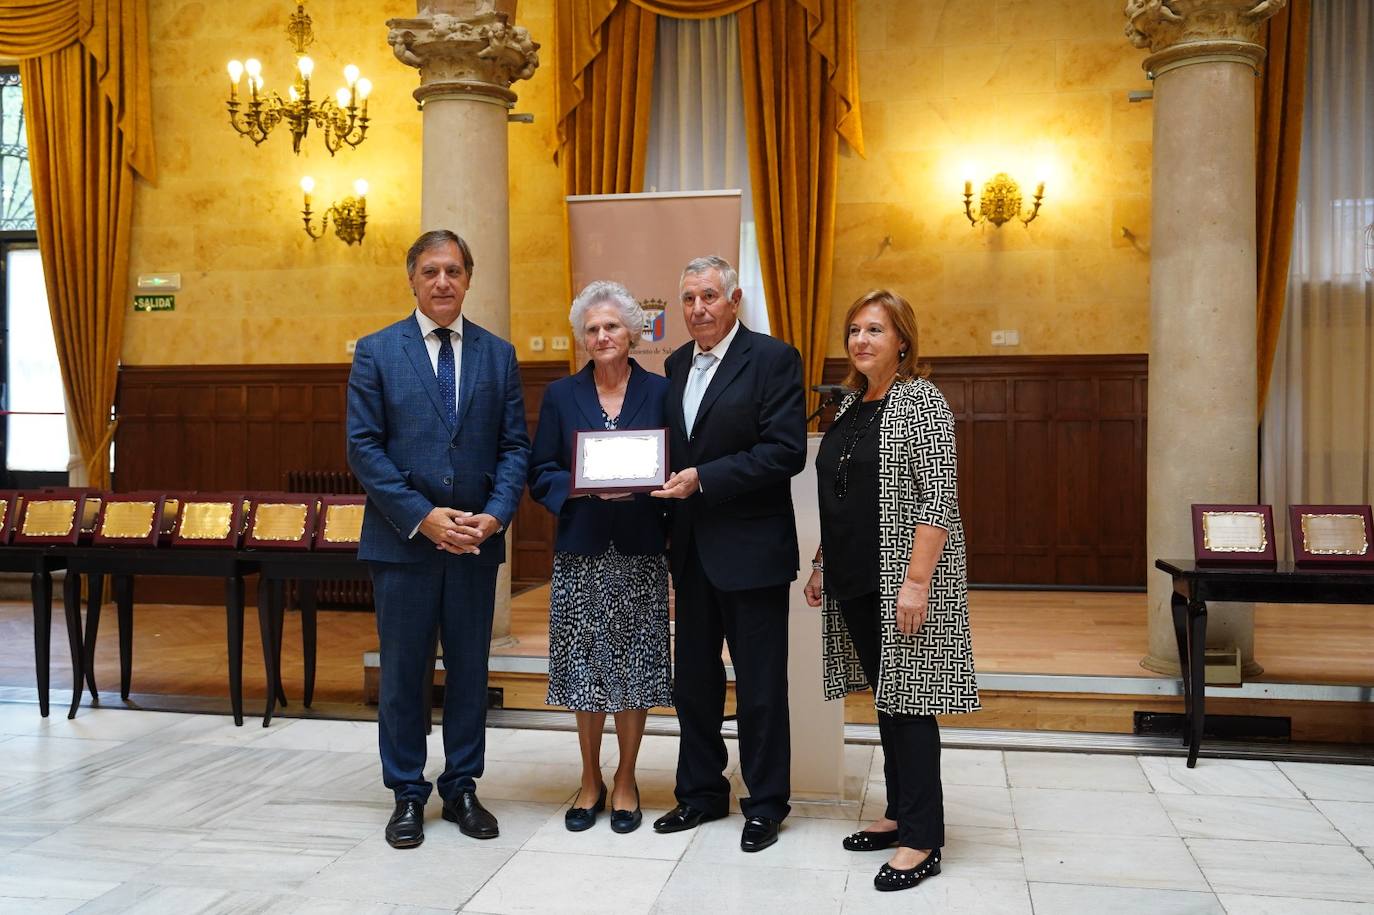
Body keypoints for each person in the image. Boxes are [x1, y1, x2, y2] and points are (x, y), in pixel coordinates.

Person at [346, 229, 530, 849]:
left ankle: (462, 787)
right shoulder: (376, 351)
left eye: (454, 270)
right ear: (412, 279)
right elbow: (364, 448)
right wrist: (423, 516)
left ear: (469, 278)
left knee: (471, 673)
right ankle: (406, 791)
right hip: (403, 543)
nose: (443, 281)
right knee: (403, 674)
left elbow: (514, 448)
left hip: (476, 543)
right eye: (431, 271)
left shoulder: (497, 354)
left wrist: (497, 515)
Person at [803, 289, 978, 892]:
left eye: (875, 330)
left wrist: (917, 581)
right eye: (854, 330)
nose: (861, 341)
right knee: (888, 699)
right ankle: (900, 811)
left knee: (911, 705)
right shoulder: (851, 406)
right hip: (853, 575)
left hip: (902, 579)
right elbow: (839, 496)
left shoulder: (921, 402)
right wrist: (822, 561)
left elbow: (937, 498)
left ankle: (922, 837)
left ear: (903, 340)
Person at [650, 255, 806, 853]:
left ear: (734, 300)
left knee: (762, 687)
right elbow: (671, 451)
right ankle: (700, 794)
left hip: (753, 551)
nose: (697, 309)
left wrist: (702, 479)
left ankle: (765, 804)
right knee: (694, 685)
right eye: (688, 298)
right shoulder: (676, 364)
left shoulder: (772, 359)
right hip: (690, 555)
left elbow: (784, 451)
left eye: (709, 297)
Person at [527, 280, 672, 834]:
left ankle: (627, 779)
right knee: (585, 672)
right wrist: (581, 487)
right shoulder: (562, 396)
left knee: (634, 670)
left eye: (612, 326)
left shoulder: (660, 392)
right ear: (582, 338)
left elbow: (675, 464)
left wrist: (652, 488)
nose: (603, 336)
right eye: (592, 329)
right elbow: (541, 472)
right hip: (582, 551)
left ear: (632, 332)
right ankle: (590, 779)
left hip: (639, 549)